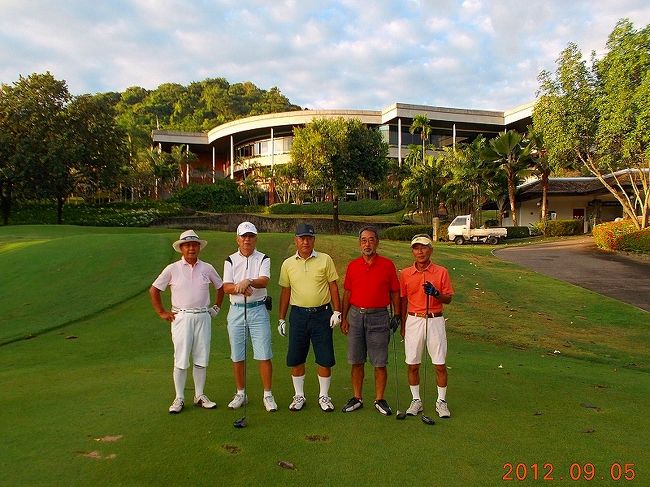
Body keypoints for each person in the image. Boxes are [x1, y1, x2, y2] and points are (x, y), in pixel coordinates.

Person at [149, 229, 224, 414]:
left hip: (202, 316)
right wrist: (161, 312)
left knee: (201, 357)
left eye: (194, 245)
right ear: (181, 248)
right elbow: (154, 290)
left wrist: (216, 308)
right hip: (181, 317)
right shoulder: (172, 268)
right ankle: (179, 398)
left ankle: (199, 395)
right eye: (187, 245)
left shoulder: (207, 267)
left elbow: (220, 287)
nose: (191, 248)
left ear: (199, 247)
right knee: (181, 358)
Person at [278, 223, 342, 412]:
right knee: (296, 357)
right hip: (298, 315)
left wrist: (336, 311)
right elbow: (285, 291)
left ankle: (324, 396)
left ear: (314, 240)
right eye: (302, 238)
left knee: (324, 357)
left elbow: (333, 286)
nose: (305, 241)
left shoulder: (325, 259)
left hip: (322, 314)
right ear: (295, 240)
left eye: (309, 238)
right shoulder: (288, 263)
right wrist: (281, 318)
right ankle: (299, 396)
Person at [340, 226, 401, 416]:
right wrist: (344, 317)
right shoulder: (353, 265)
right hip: (356, 316)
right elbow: (348, 293)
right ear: (360, 243)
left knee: (379, 362)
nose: (368, 244)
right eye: (364, 240)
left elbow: (394, 292)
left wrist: (397, 314)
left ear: (377, 242)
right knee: (356, 361)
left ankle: (379, 399)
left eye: (371, 240)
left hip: (379, 317)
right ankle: (357, 398)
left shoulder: (387, 265)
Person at [222, 222, 277, 412]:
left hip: (258, 310)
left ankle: (268, 395)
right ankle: (240, 393)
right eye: (244, 236)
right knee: (237, 355)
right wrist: (240, 287)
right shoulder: (230, 260)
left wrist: (249, 281)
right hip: (236, 310)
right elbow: (226, 286)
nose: (247, 240)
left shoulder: (263, 258)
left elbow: (264, 281)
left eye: (251, 236)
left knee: (264, 354)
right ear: (237, 239)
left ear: (256, 238)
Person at [399, 234, 454, 419]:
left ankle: (441, 402)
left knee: (439, 364)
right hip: (414, 320)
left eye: (423, 247)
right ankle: (416, 400)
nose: (420, 251)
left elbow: (448, 298)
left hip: (435, 319)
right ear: (412, 251)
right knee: (413, 364)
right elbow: (403, 299)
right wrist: (401, 321)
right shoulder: (405, 273)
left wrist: (436, 294)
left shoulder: (441, 272)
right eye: (416, 248)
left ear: (430, 249)